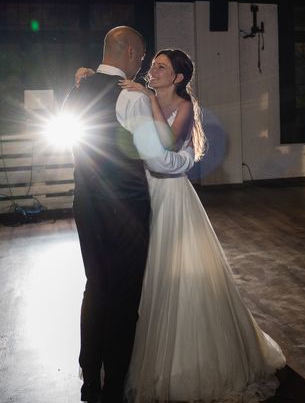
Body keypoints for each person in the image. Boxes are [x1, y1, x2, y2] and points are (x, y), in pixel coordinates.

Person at [75, 48, 286, 403]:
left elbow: (168, 146)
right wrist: (85, 74)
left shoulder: (182, 105)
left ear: (178, 78)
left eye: (161, 68)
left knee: (173, 277)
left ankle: (179, 360)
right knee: (144, 278)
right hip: (140, 194)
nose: (152, 71)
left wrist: (150, 101)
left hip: (168, 194)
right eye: (152, 65)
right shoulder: (136, 95)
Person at [63, 27, 195, 403]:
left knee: (96, 288)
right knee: (123, 298)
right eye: (142, 58)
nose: (142, 66)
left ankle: (90, 379)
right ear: (132, 52)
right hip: (125, 209)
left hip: (85, 202)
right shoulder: (131, 98)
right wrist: (188, 159)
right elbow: (158, 160)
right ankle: (114, 386)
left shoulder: (77, 90)